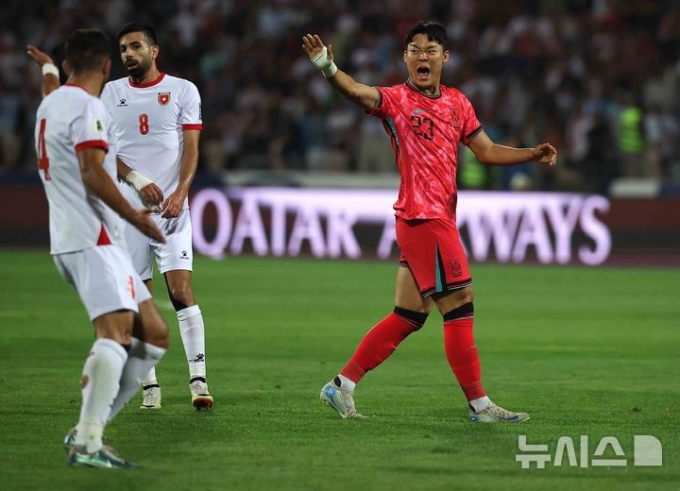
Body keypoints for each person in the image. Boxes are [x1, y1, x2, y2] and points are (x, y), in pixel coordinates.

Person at [303, 21, 557, 422]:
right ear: (405, 57)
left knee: (409, 315)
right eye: (416, 49)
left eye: (431, 49)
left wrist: (531, 154)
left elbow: (487, 151)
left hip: (434, 219)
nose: (423, 56)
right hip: (424, 217)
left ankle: (341, 385)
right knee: (459, 305)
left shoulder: (458, 103)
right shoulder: (396, 100)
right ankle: (480, 405)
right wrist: (327, 68)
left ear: (445, 57)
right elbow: (356, 91)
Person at [31, 23, 213, 409]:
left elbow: (191, 147)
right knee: (135, 303)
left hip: (169, 211)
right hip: (124, 211)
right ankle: (148, 390)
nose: (129, 54)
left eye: (135, 47)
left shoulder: (183, 90)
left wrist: (181, 191)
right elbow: (100, 160)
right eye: (122, 49)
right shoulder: (107, 95)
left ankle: (198, 380)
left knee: (179, 293)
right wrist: (134, 179)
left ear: (154, 50)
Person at [28, 29, 170, 468]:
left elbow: (53, 85)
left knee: (155, 334)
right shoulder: (90, 107)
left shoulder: (51, 102)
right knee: (116, 335)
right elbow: (92, 171)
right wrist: (136, 217)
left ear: (69, 66)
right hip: (93, 237)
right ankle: (88, 441)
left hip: (80, 238)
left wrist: (48, 68)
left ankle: (89, 426)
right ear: (107, 67)